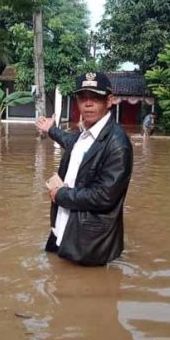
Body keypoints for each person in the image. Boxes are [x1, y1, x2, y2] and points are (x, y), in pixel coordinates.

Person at [35, 71, 133, 266]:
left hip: (89, 243)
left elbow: (103, 196)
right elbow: (69, 141)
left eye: (95, 98)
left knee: (83, 293)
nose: (88, 104)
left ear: (109, 100)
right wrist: (51, 129)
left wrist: (60, 195)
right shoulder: (84, 134)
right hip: (64, 228)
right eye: (83, 98)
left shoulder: (117, 144)